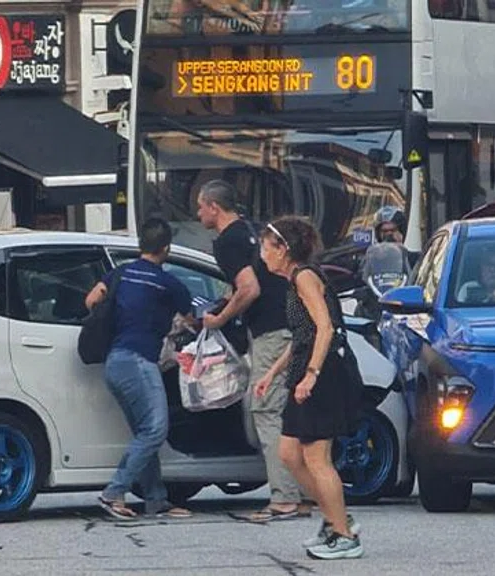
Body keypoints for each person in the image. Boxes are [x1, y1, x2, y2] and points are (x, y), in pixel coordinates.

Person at [195, 179, 309, 522]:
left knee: (266, 410)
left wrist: (219, 320)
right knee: (289, 412)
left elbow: (249, 287)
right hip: (290, 325)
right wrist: (224, 304)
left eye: (201, 207)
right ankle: (302, 493)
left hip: (271, 333)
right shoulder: (251, 232)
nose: (198, 213)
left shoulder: (226, 242)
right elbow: (246, 283)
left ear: (214, 208)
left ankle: (284, 498)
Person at [256, 215, 365, 560]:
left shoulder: (304, 277)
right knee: (289, 453)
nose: (262, 254)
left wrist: (312, 375)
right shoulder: (294, 281)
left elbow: (325, 328)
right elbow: (302, 335)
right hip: (305, 368)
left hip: (323, 372)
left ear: (283, 250)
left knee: (317, 456)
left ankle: (344, 535)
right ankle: (335, 519)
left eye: (265, 247)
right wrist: (272, 373)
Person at [84, 218, 195, 521]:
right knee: (156, 428)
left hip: (114, 361)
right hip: (139, 362)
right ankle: (113, 493)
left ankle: (156, 499)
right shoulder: (168, 283)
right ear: (167, 249)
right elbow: (191, 320)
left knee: (143, 431)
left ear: (141, 245)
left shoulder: (120, 273)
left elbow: (92, 299)